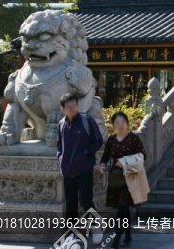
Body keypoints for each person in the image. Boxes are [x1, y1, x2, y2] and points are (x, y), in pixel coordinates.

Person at [100, 111, 147, 248]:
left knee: (122, 209)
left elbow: (143, 156)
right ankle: (128, 235)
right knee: (123, 210)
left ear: (127, 122)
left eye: (122, 122)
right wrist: (102, 166)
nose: (120, 125)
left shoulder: (133, 139)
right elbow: (104, 158)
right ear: (113, 125)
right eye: (116, 122)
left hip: (130, 179)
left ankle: (116, 240)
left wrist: (124, 161)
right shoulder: (112, 140)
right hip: (116, 180)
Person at [57, 93, 104, 224]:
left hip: (84, 170)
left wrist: (86, 151)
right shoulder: (61, 125)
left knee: (85, 202)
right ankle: (70, 236)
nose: (72, 108)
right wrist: (61, 160)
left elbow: (98, 141)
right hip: (68, 172)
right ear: (62, 109)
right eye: (68, 106)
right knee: (70, 206)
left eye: (74, 105)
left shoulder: (86, 120)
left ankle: (96, 226)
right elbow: (59, 147)